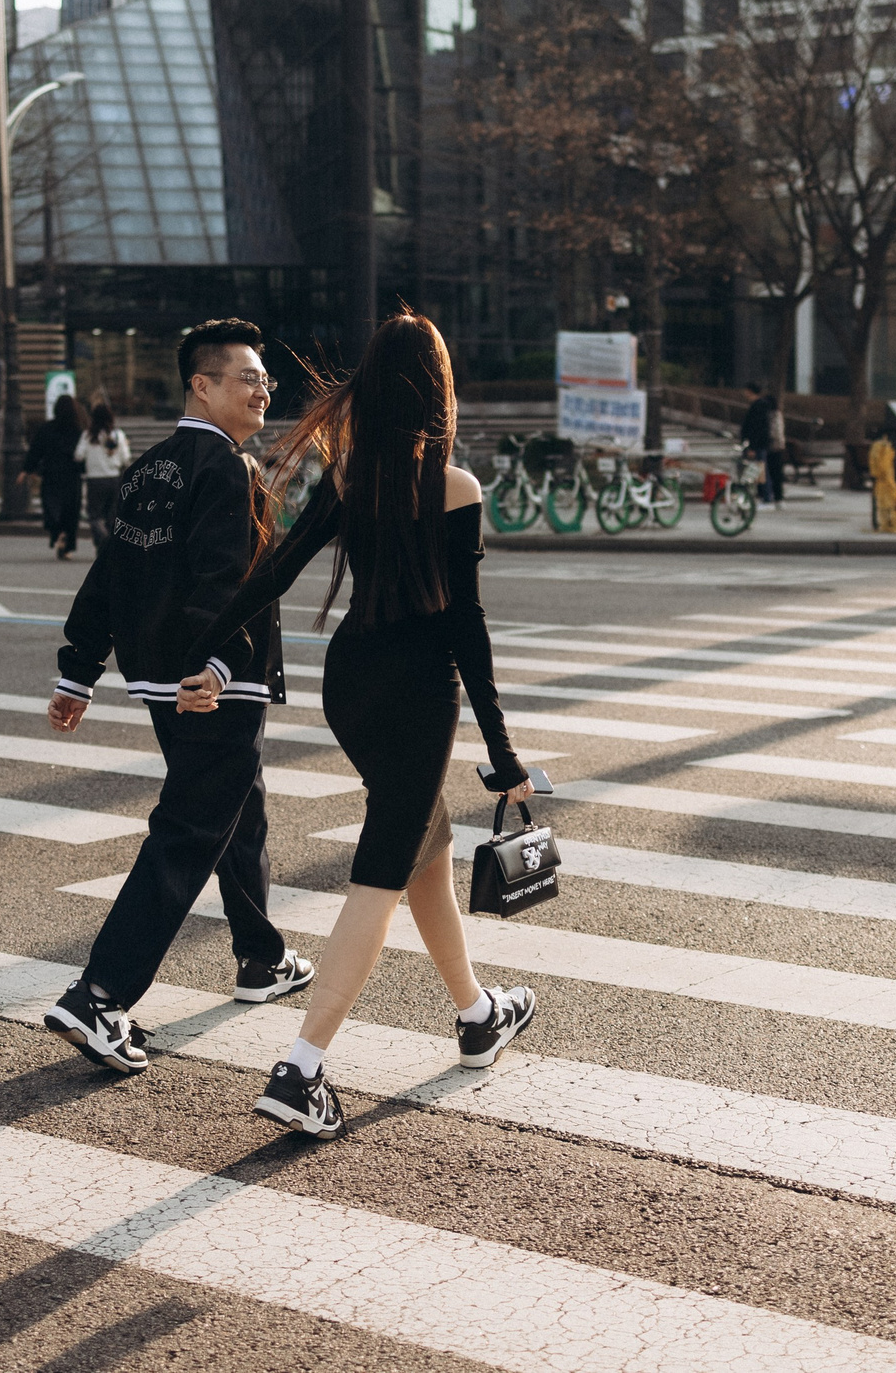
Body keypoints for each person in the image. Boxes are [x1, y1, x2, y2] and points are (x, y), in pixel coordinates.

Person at [176, 311, 537, 1141]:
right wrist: (504, 751)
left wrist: (201, 648)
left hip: (351, 683)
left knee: (425, 846)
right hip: (418, 695)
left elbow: (274, 572)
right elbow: (466, 629)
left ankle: (478, 1011)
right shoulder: (454, 486)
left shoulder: (351, 478)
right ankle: (301, 1068)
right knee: (380, 874)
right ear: (436, 388)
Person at [41, 320, 315, 1072]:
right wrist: (223, 664)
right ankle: (99, 995)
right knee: (191, 828)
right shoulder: (231, 470)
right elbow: (232, 580)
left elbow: (111, 576)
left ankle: (261, 956)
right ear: (203, 383)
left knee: (238, 806)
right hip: (212, 683)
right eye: (247, 378)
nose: (263, 390)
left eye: (265, 380)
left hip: (165, 678)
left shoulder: (148, 467)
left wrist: (79, 669)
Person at [25, 393, 86, 559]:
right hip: (72, 476)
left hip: (51, 475)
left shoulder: (46, 428)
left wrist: (27, 469)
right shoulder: (78, 430)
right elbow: (83, 455)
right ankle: (67, 548)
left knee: (51, 508)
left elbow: (35, 451)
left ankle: (57, 532)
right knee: (71, 512)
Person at [75, 399, 132, 555]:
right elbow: (125, 459)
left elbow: (79, 455)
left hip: (95, 479)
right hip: (114, 478)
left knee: (94, 515)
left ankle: (103, 540)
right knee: (111, 516)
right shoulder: (118, 435)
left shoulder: (88, 435)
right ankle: (107, 546)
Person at [740, 383, 785, 509]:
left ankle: (766, 498)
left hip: (759, 444)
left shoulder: (759, 406)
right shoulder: (767, 408)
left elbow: (757, 428)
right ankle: (771, 498)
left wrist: (752, 446)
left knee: (762, 472)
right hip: (766, 444)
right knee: (766, 471)